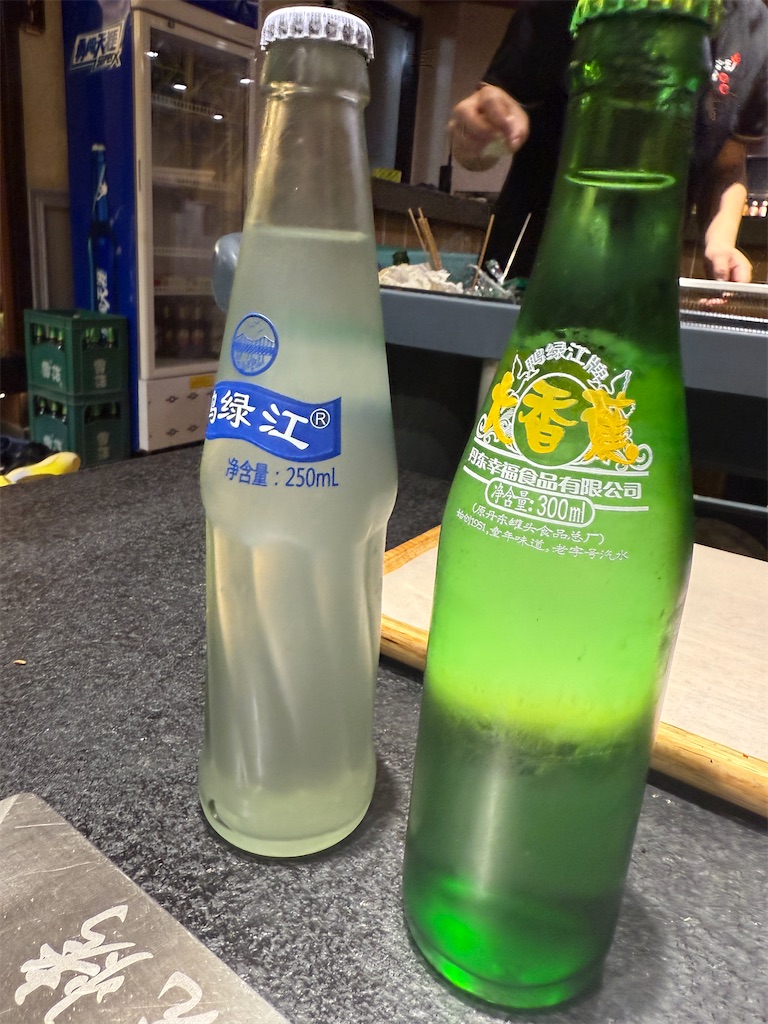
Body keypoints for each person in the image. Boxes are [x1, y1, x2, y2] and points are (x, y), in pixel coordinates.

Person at [449, 0, 768, 283]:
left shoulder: (751, 24)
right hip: (525, 271)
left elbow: (727, 165)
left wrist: (721, 240)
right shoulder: (562, 6)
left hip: (644, 281)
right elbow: (481, 134)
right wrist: (475, 136)